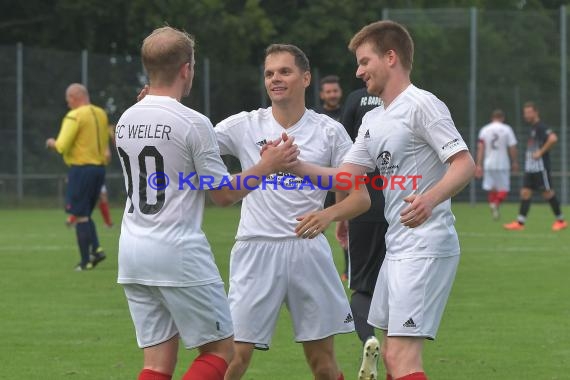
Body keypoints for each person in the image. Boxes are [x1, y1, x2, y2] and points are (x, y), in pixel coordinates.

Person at [283, 21, 475, 380]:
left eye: (364, 61)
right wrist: (294, 164)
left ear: (391, 57)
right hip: (397, 245)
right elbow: (345, 177)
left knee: (402, 358)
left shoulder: (423, 105)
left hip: (426, 245)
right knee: (390, 353)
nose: (358, 71)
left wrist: (429, 200)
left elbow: (464, 164)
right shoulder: (373, 119)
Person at [116, 27, 297, 380]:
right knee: (220, 350)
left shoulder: (125, 118)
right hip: (176, 250)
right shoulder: (193, 123)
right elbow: (223, 194)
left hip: (132, 251)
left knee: (156, 364)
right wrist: (267, 165)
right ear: (186, 68)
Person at [214, 44, 367, 380]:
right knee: (233, 356)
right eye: (269, 73)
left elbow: (360, 197)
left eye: (284, 71)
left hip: (307, 251)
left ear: (306, 78)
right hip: (255, 249)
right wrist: (158, 109)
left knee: (322, 363)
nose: (275, 79)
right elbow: (195, 141)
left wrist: (329, 215)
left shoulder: (328, 130)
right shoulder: (244, 125)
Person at [338, 87, 388, 345]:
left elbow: (344, 155)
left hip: (364, 204)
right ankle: (397, 353)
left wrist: (341, 210)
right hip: (403, 208)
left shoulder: (356, 99)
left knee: (363, 286)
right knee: (396, 288)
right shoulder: (415, 101)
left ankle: (369, 339)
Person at [46, 83, 110, 271]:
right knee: (86, 214)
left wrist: (51, 143)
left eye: (68, 100)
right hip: (99, 170)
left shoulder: (74, 115)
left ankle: (84, 262)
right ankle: (96, 250)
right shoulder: (101, 113)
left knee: (80, 216)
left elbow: (62, 145)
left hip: (81, 169)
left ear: (74, 97)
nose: (68, 105)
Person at [504, 102, 567, 231]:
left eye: (528, 112)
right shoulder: (533, 128)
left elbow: (553, 138)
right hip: (531, 168)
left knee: (548, 193)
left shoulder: (540, 127)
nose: (526, 115)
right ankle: (520, 223)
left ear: (536, 112)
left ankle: (561, 221)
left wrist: (540, 152)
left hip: (540, 167)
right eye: (525, 112)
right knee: (525, 193)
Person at [313, 74, 349, 282]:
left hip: (344, 178)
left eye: (335, 90)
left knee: (347, 224)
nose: (332, 94)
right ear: (322, 94)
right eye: (328, 91)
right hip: (321, 181)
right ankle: (318, 269)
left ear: (340, 92)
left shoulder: (347, 113)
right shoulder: (315, 116)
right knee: (318, 223)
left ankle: (348, 269)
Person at [475, 109, 518, 220]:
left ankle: (494, 208)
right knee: (504, 189)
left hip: (488, 163)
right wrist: (514, 162)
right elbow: (512, 147)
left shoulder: (485, 130)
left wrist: (478, 165)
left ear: (492, 118)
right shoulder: (507, 129)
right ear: (502, 118)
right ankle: (496, 204)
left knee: (492, 188)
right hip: (503, 163)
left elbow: (480, 148)